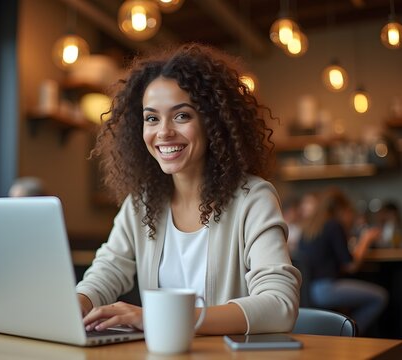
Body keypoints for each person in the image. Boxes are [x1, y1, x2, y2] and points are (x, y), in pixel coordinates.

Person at [76, 43, 301, 335]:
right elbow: (105, 274)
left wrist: (164, 319)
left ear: (212, 122)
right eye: (152, 118)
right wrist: (75, 305)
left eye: (182, 115)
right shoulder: (141, 204)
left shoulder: (252, 199)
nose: (164, 132)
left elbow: (279, 305)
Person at [298, 187, 388, 335]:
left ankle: (344, 332)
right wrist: (366, 239)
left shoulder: (308, 228)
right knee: (379, 297)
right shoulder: (333, 224)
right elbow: (351, 265)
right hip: (326, 289)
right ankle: (349, 333)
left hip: (307, 291)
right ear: (341, 209)